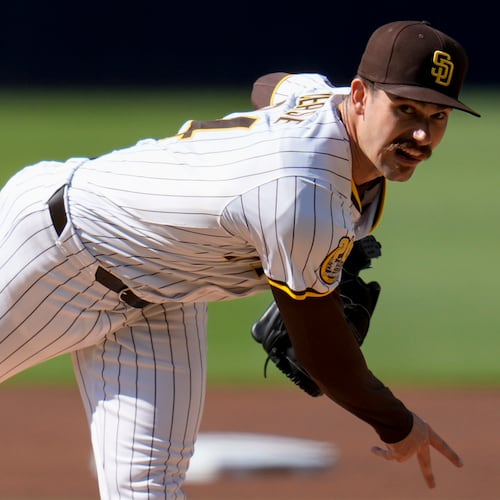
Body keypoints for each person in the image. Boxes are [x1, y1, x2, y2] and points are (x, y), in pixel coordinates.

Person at [0, 19, 479, 498]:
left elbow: (269, 85)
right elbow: (325, 359)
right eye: (405, 110)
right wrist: (398, 423)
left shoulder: (322, 98)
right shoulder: (302, 197)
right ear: (359, 96)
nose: (421, 135)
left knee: (147, 489)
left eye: (438, 117)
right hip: (54, 247)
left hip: (165, 298)